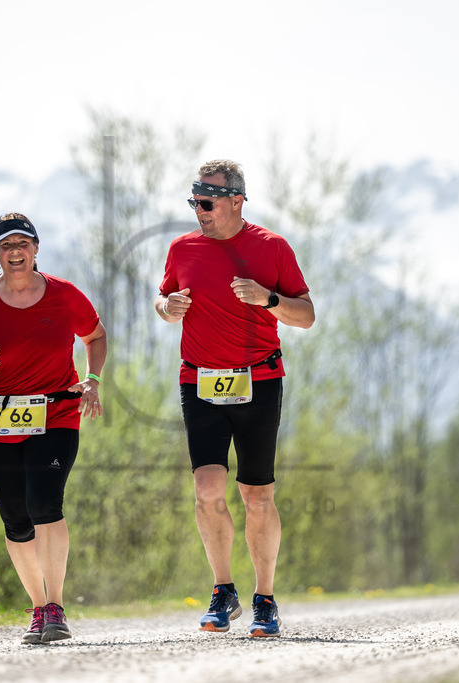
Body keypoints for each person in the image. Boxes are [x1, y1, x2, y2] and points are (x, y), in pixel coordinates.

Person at [155, 160, 314, 638]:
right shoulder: (181, 248)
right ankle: (223, 591)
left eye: (207, 202)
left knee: (257, 495)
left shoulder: (272, 247)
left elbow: (305, 315)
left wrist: (268, 299)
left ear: (236, 201)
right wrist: (168, 308)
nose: (199, 211)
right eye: (194, 203)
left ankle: (265, 598)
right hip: (200, 382)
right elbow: (163, 301)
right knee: (206, 490)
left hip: (259, 382)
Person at [0, 213, 107, 645]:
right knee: (16, 519)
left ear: (36, 249)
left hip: (55, 413)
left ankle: (56, 605)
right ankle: (38, 608)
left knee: (45, 504)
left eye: (23, 244)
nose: (15, 252)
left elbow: (95, 336)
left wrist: (92, 380)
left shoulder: (65, 295)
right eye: (6, 246)